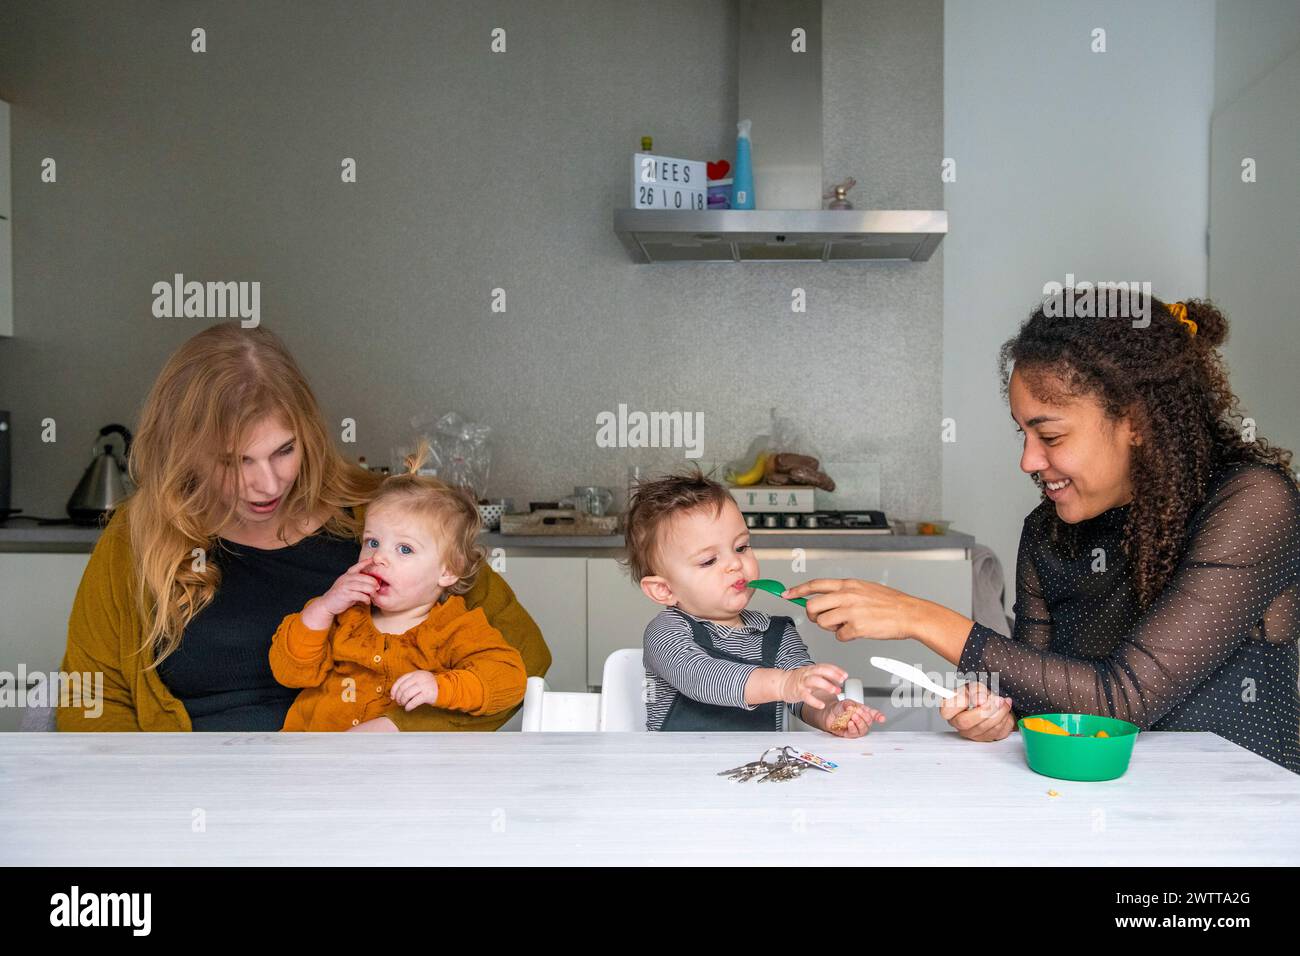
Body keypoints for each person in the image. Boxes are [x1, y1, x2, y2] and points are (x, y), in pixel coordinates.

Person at [785, 295, 1300, 773]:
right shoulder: (1047, 530)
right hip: (1089, 805)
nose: (1029, 461)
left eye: (1050, 435)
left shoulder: (1251, 502)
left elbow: (1122, 701)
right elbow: (1039, 699)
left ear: (1136, 421)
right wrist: (997, 717)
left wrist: (918, 616)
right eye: (1023, 433)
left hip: (1239, 817)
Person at [57, 322, 549, 732]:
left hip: (363, 798)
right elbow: (90, 696)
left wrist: (409, 732)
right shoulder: (137, 535)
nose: (266, 484)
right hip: (197, 808)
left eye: (284, 451)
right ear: (184, 451)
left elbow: (522, 659)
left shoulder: (382, 519)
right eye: (233, 462)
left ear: (309, 433)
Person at [270, 447, 527, 731]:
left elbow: (509, 680)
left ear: (448, 571)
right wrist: (324, 608)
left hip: (403, 769)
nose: (378, 557)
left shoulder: (456, 627)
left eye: (404, 549)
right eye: (372, 542)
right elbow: (290, 672)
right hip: (313, 760)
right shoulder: (345, 615)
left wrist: (441, 687)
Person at [625, 471, 885, 736]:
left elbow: (803, 690)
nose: (735, 563)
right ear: (663, 590)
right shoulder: (666, 632)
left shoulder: (778, 634)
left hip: (758, 769)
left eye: (741, 547)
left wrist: (829, 710)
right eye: (708, 561)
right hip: (677, 771)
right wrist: (783, 683)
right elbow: (700, 677)